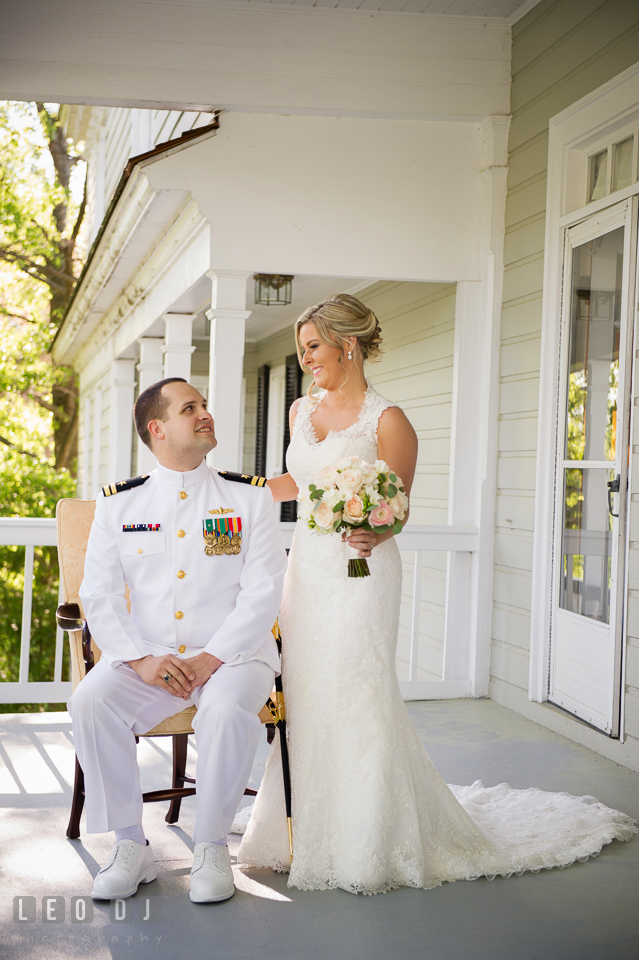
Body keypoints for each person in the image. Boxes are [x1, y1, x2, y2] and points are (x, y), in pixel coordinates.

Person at [238, 294, 636, 895]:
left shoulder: (388, 419)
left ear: (347, 344)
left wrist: (375, 525)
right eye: (301, 350)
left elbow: (397, 505)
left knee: (359, 690)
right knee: (307, 689)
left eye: (312, 347)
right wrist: (237, 497)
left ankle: (366, 839)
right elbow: (299, 482)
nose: (305, 359)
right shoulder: (300, 409)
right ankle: (297, 828)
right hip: (309, 570)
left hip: (362, 570)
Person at [68, 377, 287, 904]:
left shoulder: (247, 498)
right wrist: (141, 660)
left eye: (205, 405)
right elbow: (97, 594)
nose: (205, 413)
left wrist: (213, 658)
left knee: (225, 708)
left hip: (234, 656)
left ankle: (211, 847)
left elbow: (264, 591)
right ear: (158, 428)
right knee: (90, 701)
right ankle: (129, 845)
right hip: (151, 658)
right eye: (191, 408)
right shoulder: (121, 505)